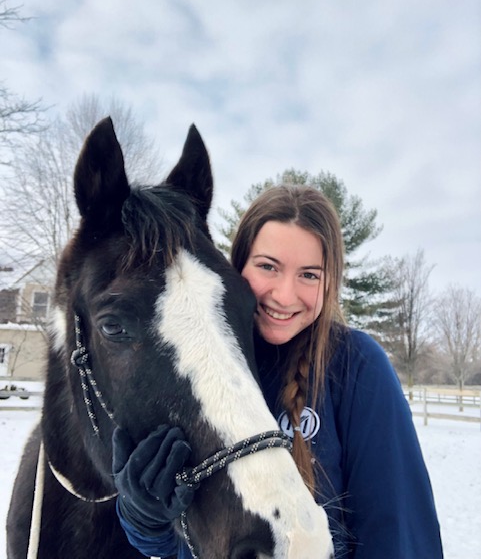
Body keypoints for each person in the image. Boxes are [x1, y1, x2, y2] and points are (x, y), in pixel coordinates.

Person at [112, 184, 444, 558]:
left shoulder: (357, 366)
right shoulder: (196, 362)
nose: (285, 296)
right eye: (268, 266)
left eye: (309, 275)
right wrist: (144, 516)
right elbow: (181, 544)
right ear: (237, 265)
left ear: (330, 282)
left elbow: (398, 533)